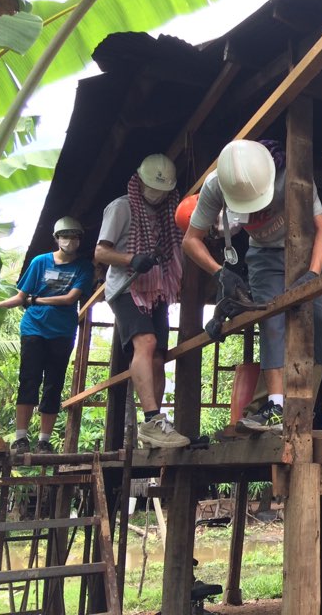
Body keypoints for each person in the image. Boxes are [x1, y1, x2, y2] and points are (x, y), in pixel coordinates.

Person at [183, 139, 322, 432]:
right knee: (270, 320)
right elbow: (190, 240)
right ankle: (275, 405)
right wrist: (219, 273)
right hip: (263, 252)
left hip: (311, 245)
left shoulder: (293, 174)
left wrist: (313, 274)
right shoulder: (216, 186)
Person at [95, 154, 190, 448]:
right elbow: (100, 252)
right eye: (152, 187)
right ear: (140, 181)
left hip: (157, 288)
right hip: (126, 287)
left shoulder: (167, 214)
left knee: (159, 356)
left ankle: (155, 426)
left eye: (163, 190)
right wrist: (132, 259)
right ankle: (150, 418)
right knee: (145, 343)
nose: (157, 194)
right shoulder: (122, 208)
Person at [0, 217, 94, 454]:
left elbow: (71, 298)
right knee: (29, 380)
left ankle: (44, 441)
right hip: (34, 329)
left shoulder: (83, 267)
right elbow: (20, 297)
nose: (70, 240)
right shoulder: (40, 262)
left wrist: (36, 300)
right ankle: (21, 438)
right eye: (65, 235)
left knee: (53, 383)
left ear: (79, 239)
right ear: (57, 238)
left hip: (62, 331)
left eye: (75, 236)